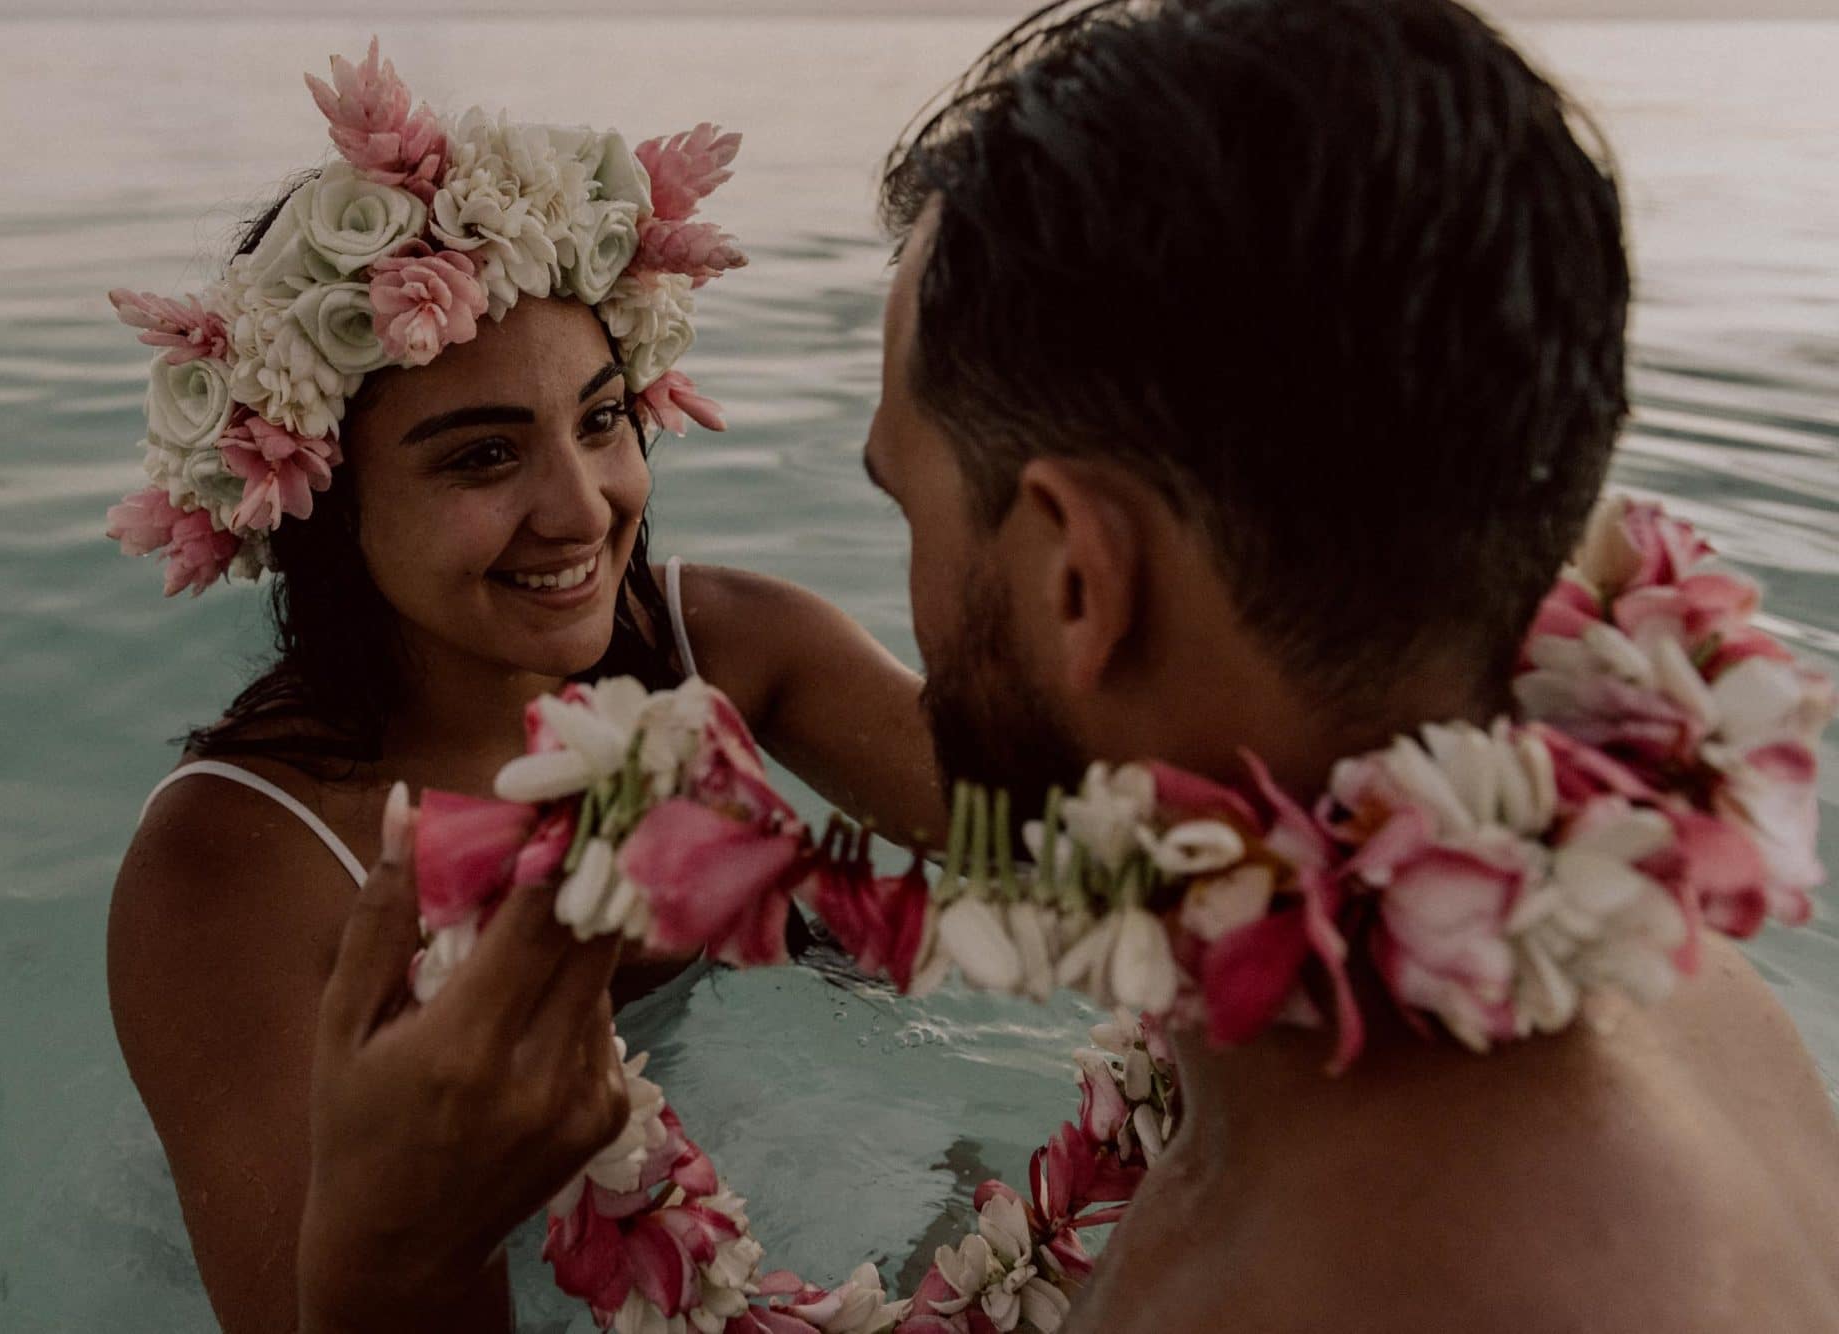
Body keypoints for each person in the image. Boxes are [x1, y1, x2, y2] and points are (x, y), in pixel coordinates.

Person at [296, 1, 1839, 1330]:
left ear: (1078, 576)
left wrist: (387, 1255)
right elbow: (1030, 867)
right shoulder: (1679, 987)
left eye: (907, 503)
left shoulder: (1324, 1287)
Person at [102, 44, 943, 1334]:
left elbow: (1063, 825)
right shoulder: (239, 866)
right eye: (484, 455)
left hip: (716, 1145)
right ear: (327, 505)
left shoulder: (718, 646)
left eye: (600, 421)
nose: (581, 508)